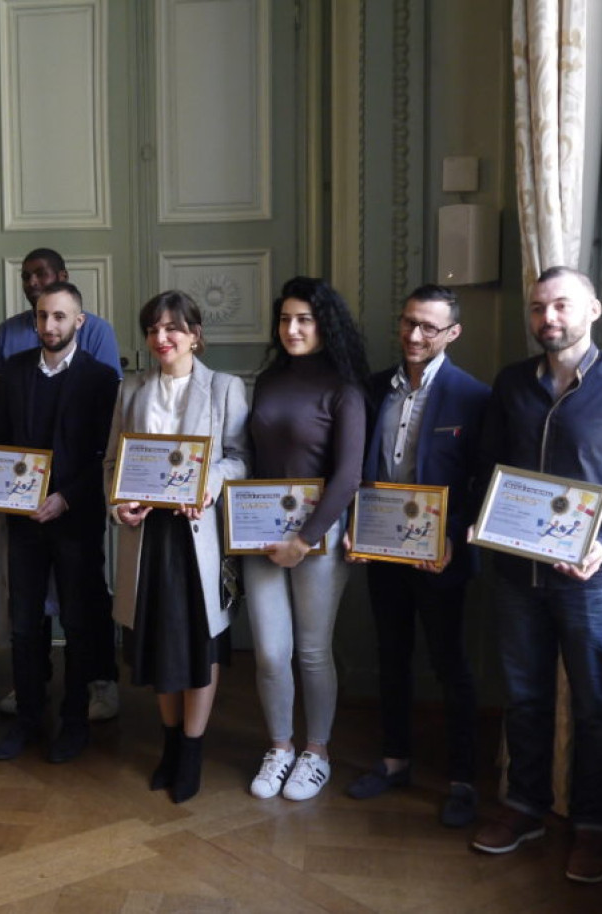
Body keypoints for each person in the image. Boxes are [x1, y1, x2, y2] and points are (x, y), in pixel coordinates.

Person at [470, 266, 602, 883]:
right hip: (515, 574)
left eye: (561, 305)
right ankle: (525, 806)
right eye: (538, 308)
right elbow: (490, 467)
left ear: (593, 310)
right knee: (525, 697)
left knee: (595, 707)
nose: (547, 318)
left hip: (595, 579)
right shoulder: (510, 384)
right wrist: (485, 521)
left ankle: (592, 827)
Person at [344, 284, 490, 827]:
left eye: (429, 327)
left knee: (450, 664)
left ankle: (461, 779)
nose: (414, 335)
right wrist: (355, 525)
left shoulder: (473, 397)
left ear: (451, 333)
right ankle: (394, 760)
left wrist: (454, 534)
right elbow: (360, 468)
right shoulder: (372, 388)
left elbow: (483, 481)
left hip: (442, 556)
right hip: (382, 550)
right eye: (408, 322)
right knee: (391, 656)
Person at [105, 290, 248, 803]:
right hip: (146, 536)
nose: (161, 339)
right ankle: (169, 744)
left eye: (172, 329)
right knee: (158, 642)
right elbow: (111, 466)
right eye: (152, 330)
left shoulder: (225, 388)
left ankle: (191, 749)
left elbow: (239, 458)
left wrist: (209, 485)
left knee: (199, 642)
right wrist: (118, 505)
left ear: (195, 334)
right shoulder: (131, 390)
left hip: (198, 537)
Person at [243, 277, 368, 803]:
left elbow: (348, 476)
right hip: (261, 535)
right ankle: (280, 747)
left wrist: (306, 538)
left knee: (313, 652)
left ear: (324, 325)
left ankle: (315, 751)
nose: (292, 329)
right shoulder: (267, 381)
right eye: (285, 319)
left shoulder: (345, 388)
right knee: (271, 653)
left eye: (304, 320)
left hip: (318, 535)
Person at [0, 281, 119, 763]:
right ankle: (27, 720)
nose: (49, 325)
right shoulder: (16, 372)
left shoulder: (102, 379)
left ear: (78, 322)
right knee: (24, 625)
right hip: (23, 523)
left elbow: (106, 456)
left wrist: (65, 498)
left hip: (76, 520)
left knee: (79, 623)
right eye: (42, 316)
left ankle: (76, 721)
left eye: (60, 317)